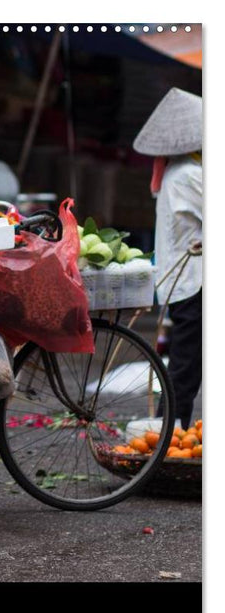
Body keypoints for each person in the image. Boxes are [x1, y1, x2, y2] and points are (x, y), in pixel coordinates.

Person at [133, 87, 203, 429]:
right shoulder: (190, 175)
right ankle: (169, 438)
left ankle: (171, 434)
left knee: (187, 367)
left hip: (187, 284)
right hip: (193, 284)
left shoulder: (181, 170)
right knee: (185, 370)